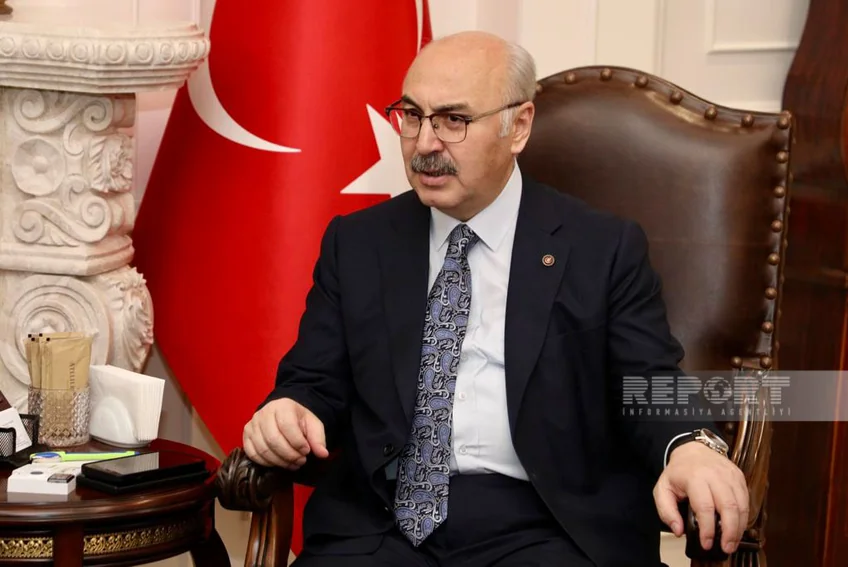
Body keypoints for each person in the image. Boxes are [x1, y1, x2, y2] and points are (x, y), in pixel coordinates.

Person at [242, 31, 748, 567]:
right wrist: (288, 409)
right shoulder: (358, 243)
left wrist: (690, 446)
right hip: (381, 527)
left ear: (519, 127)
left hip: (545, 526)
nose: (425, 144)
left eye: (453, 120)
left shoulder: (601, 248)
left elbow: (649, 382)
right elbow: (313, 381)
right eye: (412, 116)